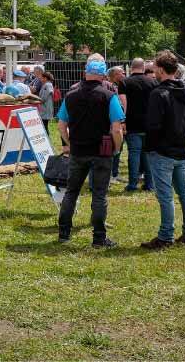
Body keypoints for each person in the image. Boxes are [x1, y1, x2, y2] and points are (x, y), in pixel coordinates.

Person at [56, 58, 124, 248]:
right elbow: (117, 128)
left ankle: (64, 233)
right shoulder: (109, 95)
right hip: (102, 151)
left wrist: (70, 143)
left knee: (71, 192)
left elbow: (61, 126)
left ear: (85, 73)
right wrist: (117, 148)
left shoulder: (70, 95)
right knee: (99, 194)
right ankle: (99, 238)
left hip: (78, 150)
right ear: (103, 75)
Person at [141, 51, 185, 249]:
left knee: (165, 196)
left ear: (162, 70)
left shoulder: (159, 93)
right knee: (184, 193)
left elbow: (153, 125)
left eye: (155, 67)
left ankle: (166, 236)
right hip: (180, 149)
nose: (153, 70)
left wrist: (150, 147)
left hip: (162, 151)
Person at [122, 58, 157, 192]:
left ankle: (132, 184)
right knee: (148, 154)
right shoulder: (153, 82)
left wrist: (123, 121)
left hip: (132, 123)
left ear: (131, 67)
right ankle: (150, 184)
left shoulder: (124, 82)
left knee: (134, 154)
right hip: (149, 123)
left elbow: (123, 105)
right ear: (143, 67)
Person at [107, 66, 127, 182]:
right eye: (121, 73)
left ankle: (114, 173)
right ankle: (111, 174)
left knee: (117, 148)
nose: (124, 75)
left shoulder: (119, 86)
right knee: (112, 148)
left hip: (117, 121)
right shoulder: (110, 87)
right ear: (115, 75)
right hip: (112, 123)